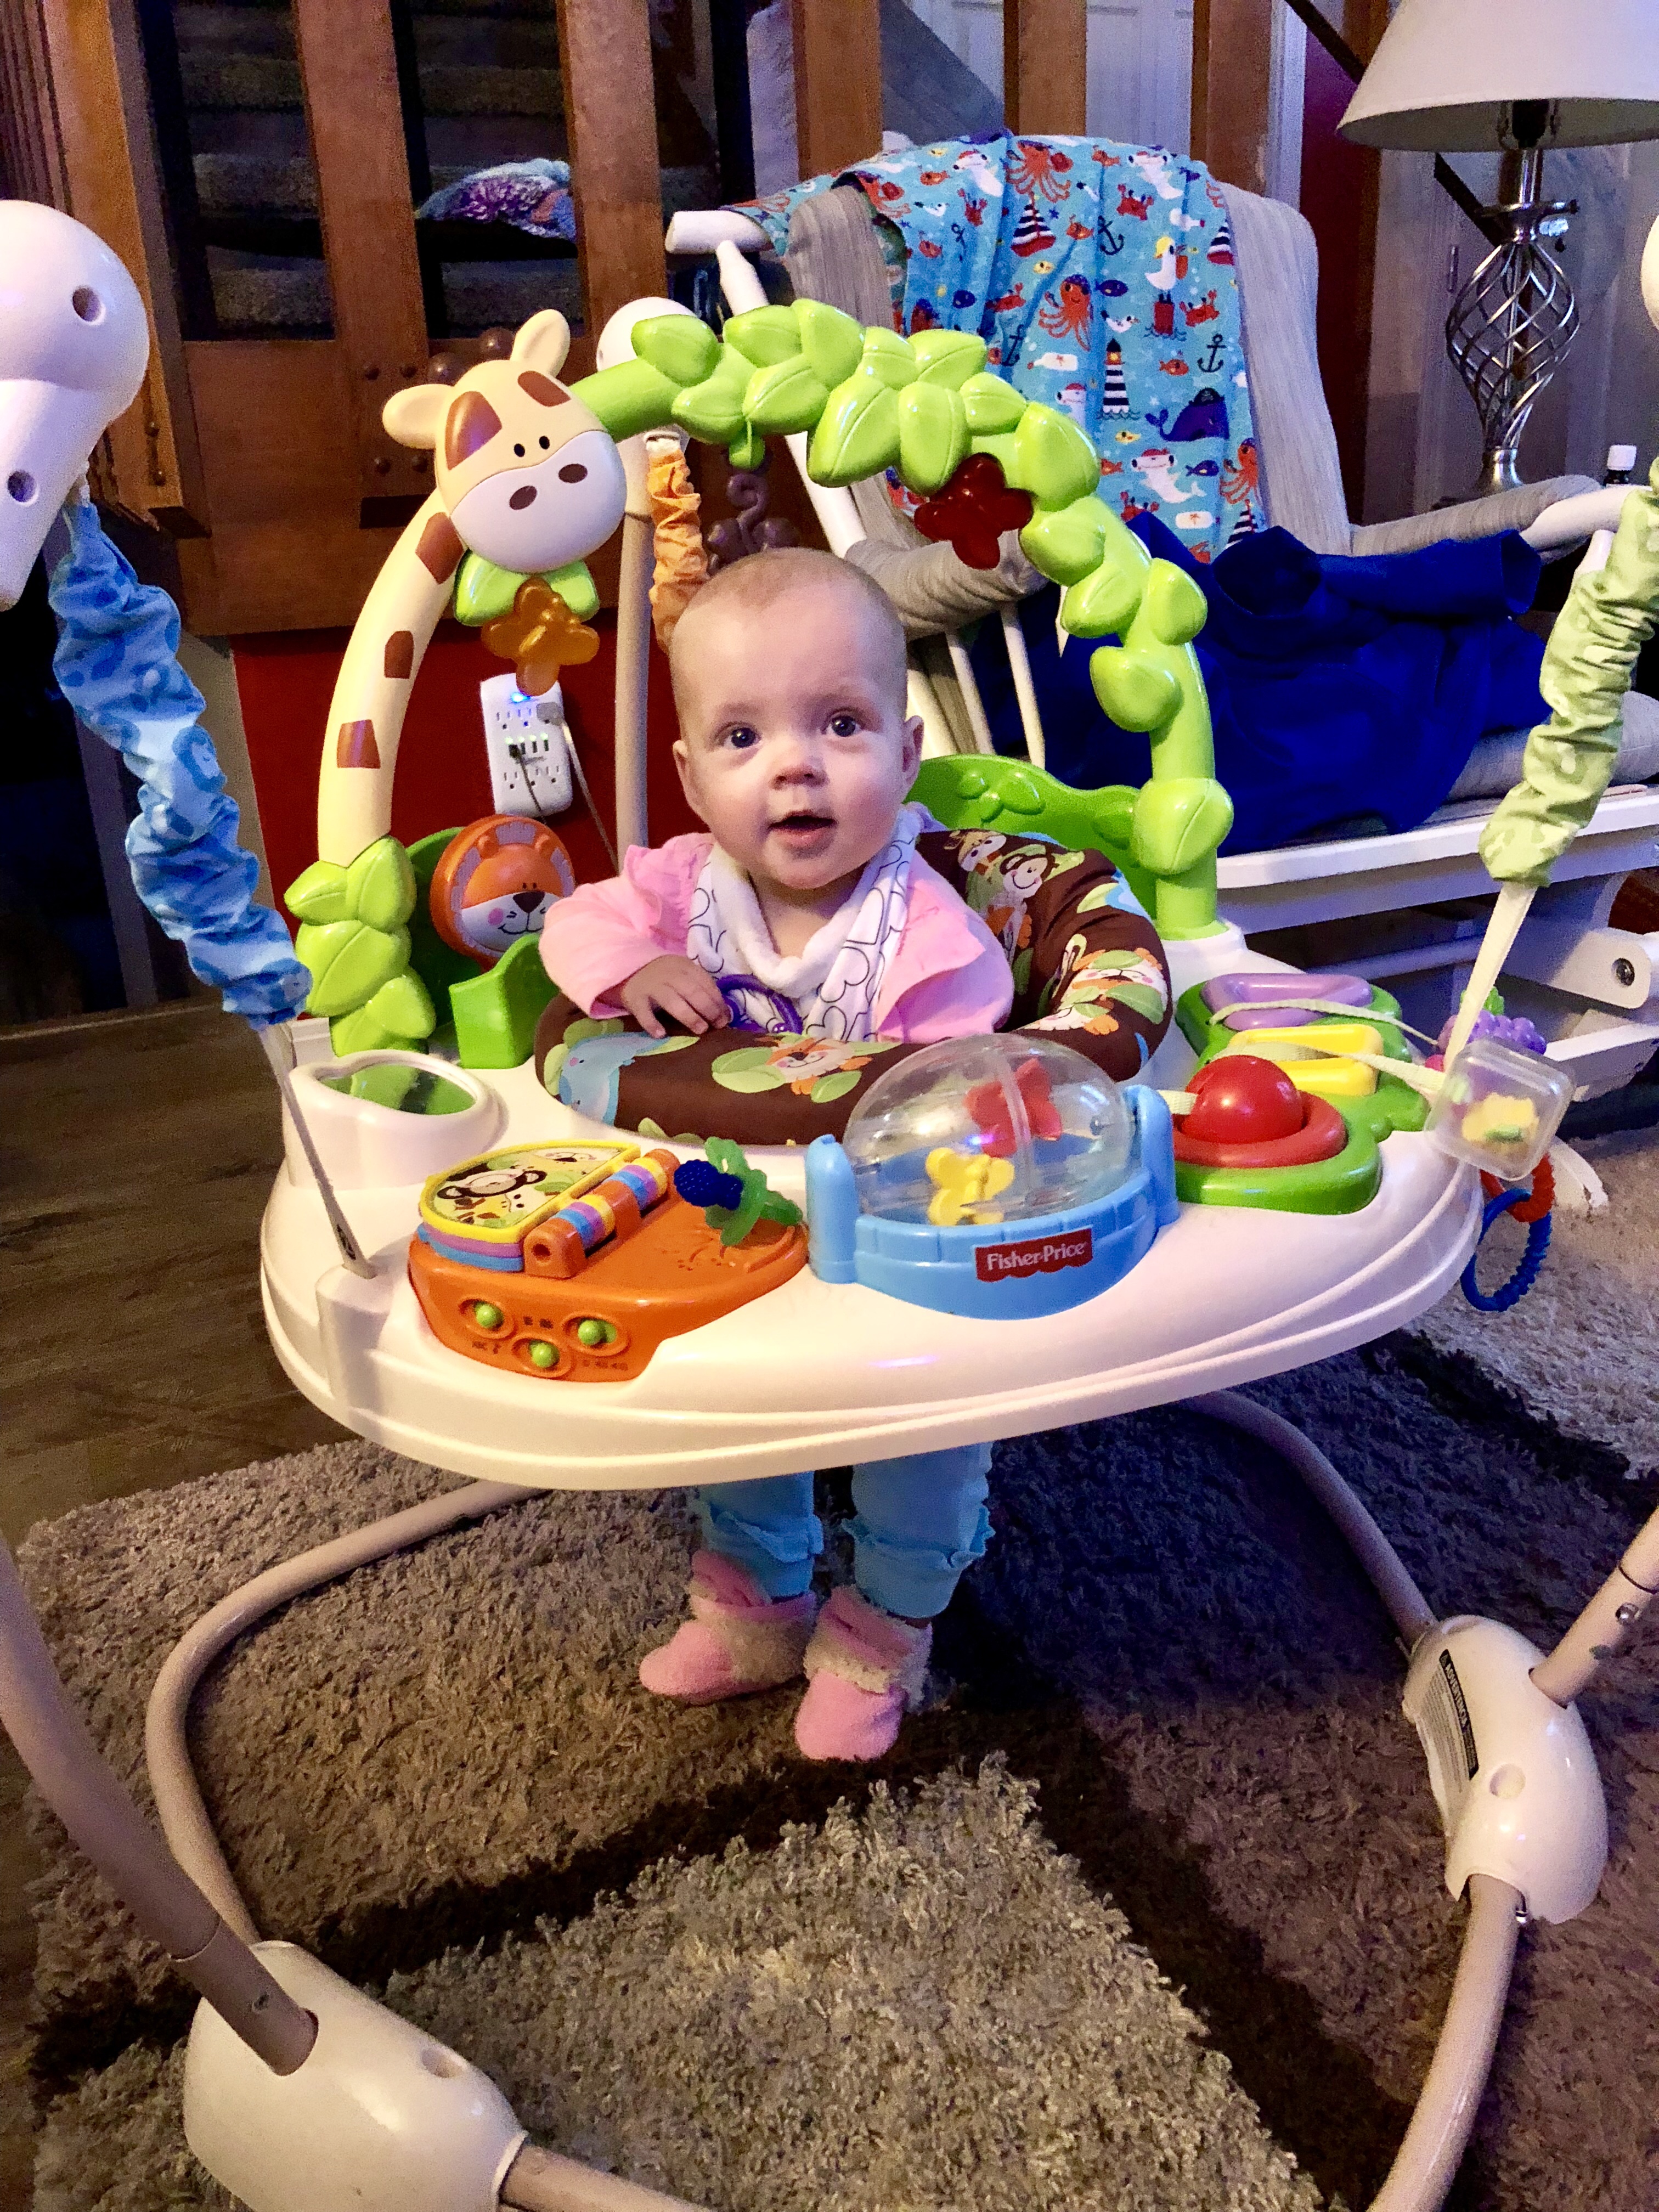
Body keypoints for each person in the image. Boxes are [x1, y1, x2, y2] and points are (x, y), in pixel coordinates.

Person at [537, 548, 1033, 1759]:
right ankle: (753, 1605)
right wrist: (634, 971)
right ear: (693, 778)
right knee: (742, 1414)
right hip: (724, 1220)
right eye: (743, 736)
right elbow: (574, 923)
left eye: (841, 725)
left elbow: (958, 1085)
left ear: (907, 756)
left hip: (890, 1235)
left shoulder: (929, 930)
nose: (795, 766)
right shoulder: (678, 889)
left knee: (920, 1430)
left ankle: (883, 1631)